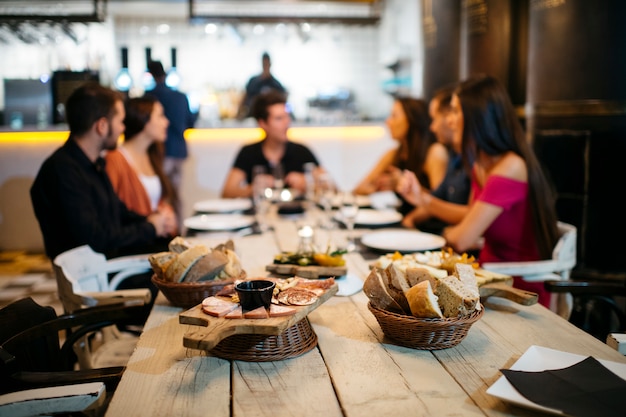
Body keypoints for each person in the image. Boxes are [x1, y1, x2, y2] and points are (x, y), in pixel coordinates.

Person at [401, 75, 559, 308]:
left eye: (455, 111)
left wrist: (442, 231)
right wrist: (423, 199)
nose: (449, 120)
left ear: (478, 116)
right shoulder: (481, 164)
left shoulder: (511, 166)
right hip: (483, 279)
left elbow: (463, 238)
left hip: (516, 290)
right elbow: (470, 215)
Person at [30, 82, 175, 262]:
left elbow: (119, 213)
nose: (123, 128)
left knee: (175, 251)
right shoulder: (63, 170)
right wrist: (150, 228)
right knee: (174, 267)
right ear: (102, 126)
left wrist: (153, 221)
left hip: (109, 262)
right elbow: (95, 238)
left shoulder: (93, 164)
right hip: (97, 273)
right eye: (120, 122)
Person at [353, 96, 449, 216]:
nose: (387, 121)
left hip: (424, 226)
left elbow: (440, 202)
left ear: (411, 120)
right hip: (400, 219)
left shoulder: (434, 153)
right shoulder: (393, 154)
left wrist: (405, 185)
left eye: (394, 116)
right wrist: (380, 186)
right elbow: (359, 188)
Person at [222, 90, 322, 199]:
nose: (286, 123)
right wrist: (253, 189)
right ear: (262, 124)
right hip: (259, 215)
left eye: (287, 117)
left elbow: (333, 189)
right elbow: (227, 192)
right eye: (279, 118)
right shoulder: (248, 152)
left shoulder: (302, 151)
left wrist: (308, 184)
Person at [400, 85, 471, 234]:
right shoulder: (454, 155)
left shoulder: (475, 160)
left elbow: (471, 215)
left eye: (435, 118)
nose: (432, 127)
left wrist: (422, 198)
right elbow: (437, 199)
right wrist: (410, 219)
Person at [105, 95, 179, 235]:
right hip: (135, 242)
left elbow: (159, 202)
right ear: (144, 120)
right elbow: (113, 214)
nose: (166, 122)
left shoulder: (152, 154)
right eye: (160, 116)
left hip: (154, 238)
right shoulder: (115, 159)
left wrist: (167, 216)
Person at [145, 60, 197, 217]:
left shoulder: (149, 98)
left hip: (161, 151)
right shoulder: (180, 96)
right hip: (179, 151)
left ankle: (172, 232)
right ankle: (176, 229)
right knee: (173, 194)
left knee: (164, 195)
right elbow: (190, 122)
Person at [237, 52, 286, 120]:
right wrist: (238, 113)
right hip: (252, 117)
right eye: (264, 64)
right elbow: (244, 98)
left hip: (270, 119)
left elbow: (283, 100)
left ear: (270, 64)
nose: (265, 66)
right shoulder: (253, 81)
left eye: (267, 63)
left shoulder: (276, 84)